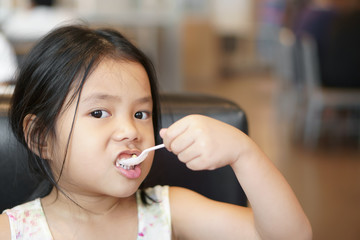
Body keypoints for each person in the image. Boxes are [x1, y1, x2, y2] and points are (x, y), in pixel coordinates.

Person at [0, 25, 312, 239]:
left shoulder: (169, 211)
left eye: (140, 113)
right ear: (41, 137)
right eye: (98, 113)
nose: (130, 131)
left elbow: (290, 236)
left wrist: (244, 153)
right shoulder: (12, 231)